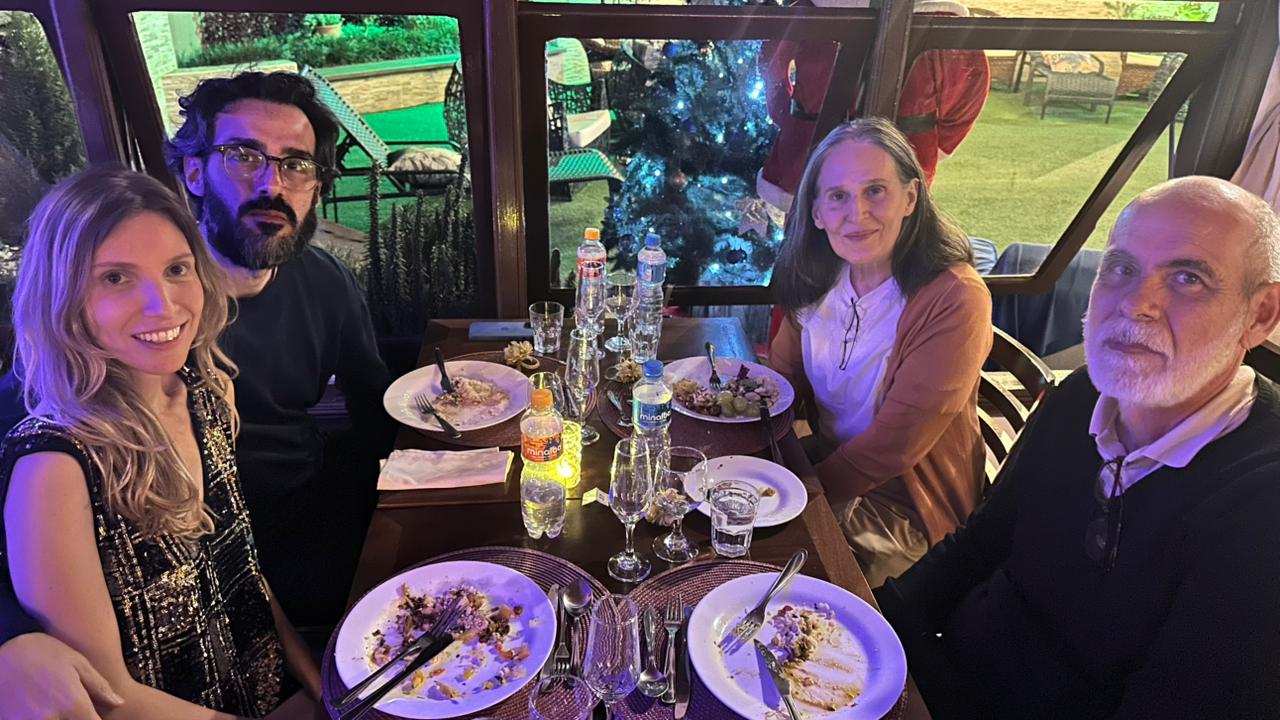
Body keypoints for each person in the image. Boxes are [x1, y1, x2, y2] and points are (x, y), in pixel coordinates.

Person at [0, 71, 391, 716]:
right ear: (193, 171)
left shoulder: (208, 389)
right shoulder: (55, 440)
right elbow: (106, 694)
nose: (271, 184)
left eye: (295, 164)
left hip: (274, 602)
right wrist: (9, 637)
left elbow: (243, 572)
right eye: (244, 155)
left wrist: (326, 692)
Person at [875, 176, 1280, 718]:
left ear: (1260, 315)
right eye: (1122, 267)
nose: (1136, 304)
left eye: (1188, 279)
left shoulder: (1261, 504)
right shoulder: (1082, 395)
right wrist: (867, 625)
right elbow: (981, 543)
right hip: (941, 672)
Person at [770, 117, 992, 587]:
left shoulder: (954, 298)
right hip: (826, 466)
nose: (857, 213)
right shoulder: (821, 274)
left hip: (905, 507)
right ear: (816, 213)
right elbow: (781, 382)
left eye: (875, 191)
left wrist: (794, 500)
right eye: (838, 196)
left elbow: (893, 447)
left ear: (910, 197)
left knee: (762, 557)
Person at [757, 0, 990, 212]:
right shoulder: (939, 21)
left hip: (816, 150)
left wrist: (790, 119)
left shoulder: (809, 12)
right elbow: (968, 88)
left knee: (816, 220)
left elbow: (772, 68)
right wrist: (938, 140)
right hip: (899, 150)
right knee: (888, 222)